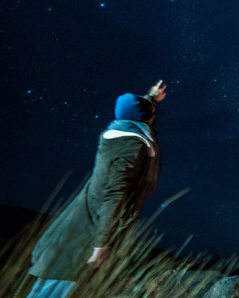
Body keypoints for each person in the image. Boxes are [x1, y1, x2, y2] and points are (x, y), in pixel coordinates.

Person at [26, 81, 166, 298]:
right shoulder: (133, 144)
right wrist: (102, 243)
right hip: (80, 244)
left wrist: (151, 98)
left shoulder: (122, 131)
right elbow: (114, 194)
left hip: (73, 235)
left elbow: (138, 112)